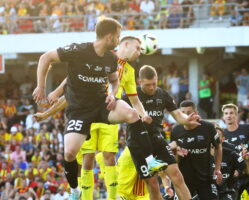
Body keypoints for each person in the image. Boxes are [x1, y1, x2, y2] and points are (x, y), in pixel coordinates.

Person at [32, 17, 164, 200]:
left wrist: (113, 93)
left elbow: (117, 83)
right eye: (118, 37)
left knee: (130, 117)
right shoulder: (79, 51)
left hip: (104, 106)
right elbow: (49, 61)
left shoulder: (116, 62)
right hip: (80, 111)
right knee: (72, 154)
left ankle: (149, 163)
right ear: (111, 38)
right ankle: (76, 191)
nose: (118, 41)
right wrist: (43, 89)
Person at [119, 65, 200, 200]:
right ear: (140, 82)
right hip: (139, 144)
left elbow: (178, 116)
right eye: (148, 85)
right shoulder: (130, 94)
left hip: (158, 140)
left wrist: (187, 119)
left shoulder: (162, 94)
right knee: (153, 184)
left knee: (177, 176)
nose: (152, 87)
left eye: (154, 83)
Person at [171, 100, 222, 200]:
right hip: (184, 180)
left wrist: (217, 168)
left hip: (205, 179)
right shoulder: (176, 130)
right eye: (183, 113)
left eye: (189, 113)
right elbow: (173, 153)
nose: (186, 116)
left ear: (196, 113)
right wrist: (175, 151)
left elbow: (218, 147)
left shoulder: (208, 127)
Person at [214, 124, 249, 200]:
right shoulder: (202, 154)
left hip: (227, 191)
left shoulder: (231, 153)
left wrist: (248, 160)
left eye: (218, 135)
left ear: (223, 139)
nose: (215, 137)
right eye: (213, 134)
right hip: (209, 190)